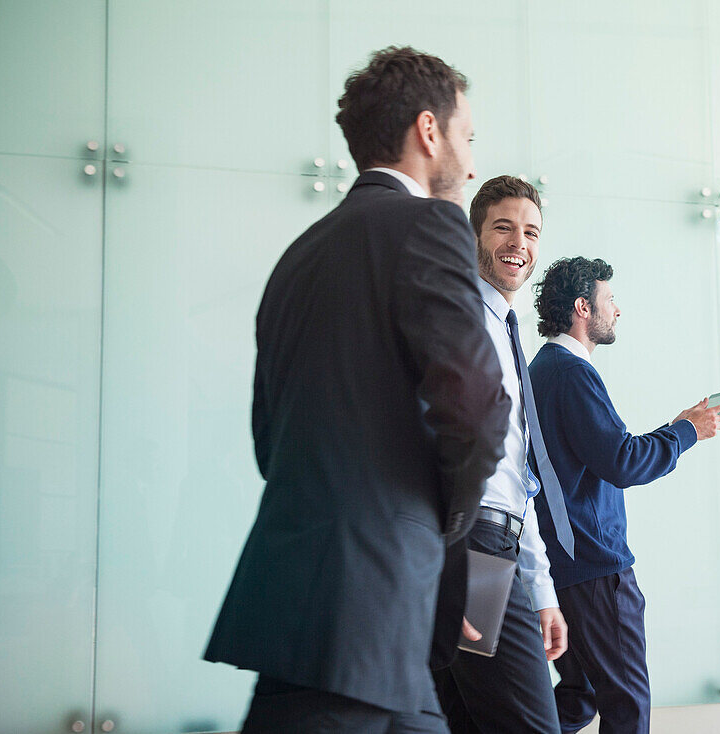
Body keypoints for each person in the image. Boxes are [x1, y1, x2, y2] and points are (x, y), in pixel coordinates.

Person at [203, 46, 511, 733]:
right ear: (428, 131)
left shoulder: (298, 255)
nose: (468, 161)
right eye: (466, 138)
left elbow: (269, 436)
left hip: (323, 598)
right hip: (367, 598)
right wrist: (441, 525)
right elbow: (478, 405)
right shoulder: (429, 225)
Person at [528, 257, 720, 734]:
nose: (617, 311)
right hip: (596, 568)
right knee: (628, 704)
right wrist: (687, 431)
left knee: (579, 697)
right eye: (609, 300)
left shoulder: (543, 368)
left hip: (565, 564)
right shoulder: (570, 372)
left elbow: (608, 454)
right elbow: (622, 462)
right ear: (584, 307)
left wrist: (680, 426)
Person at [431, 175, 576, 733]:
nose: (520, 242)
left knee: (463, 721)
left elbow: (518, 475)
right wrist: (459, 560)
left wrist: (541, 589)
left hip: (496, 545)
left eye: (531, 232)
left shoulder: (505, 331)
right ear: (474, 237)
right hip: (475, 550)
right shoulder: (461, 319)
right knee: (531, 724)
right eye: (504, 227)